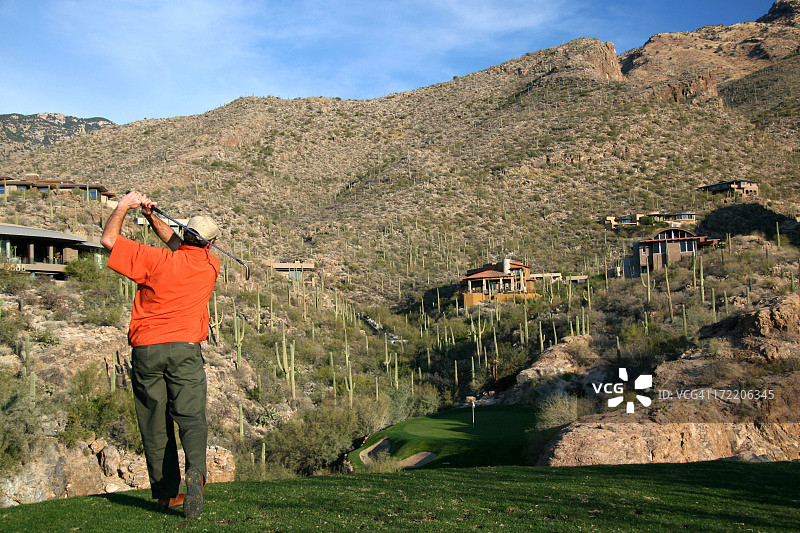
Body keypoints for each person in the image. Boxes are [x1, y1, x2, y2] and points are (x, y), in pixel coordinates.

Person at [100, 191, 221, 519]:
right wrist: (155, 218)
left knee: (155, 422)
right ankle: (195, 472)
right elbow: (181, 247)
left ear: (184, 235)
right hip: (185, 350)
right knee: (191, 417)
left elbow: (109, 240)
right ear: (211, 243)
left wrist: (125, 206)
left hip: (147, 350)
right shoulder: (211, 264)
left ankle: (167, 496)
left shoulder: (154, 261)